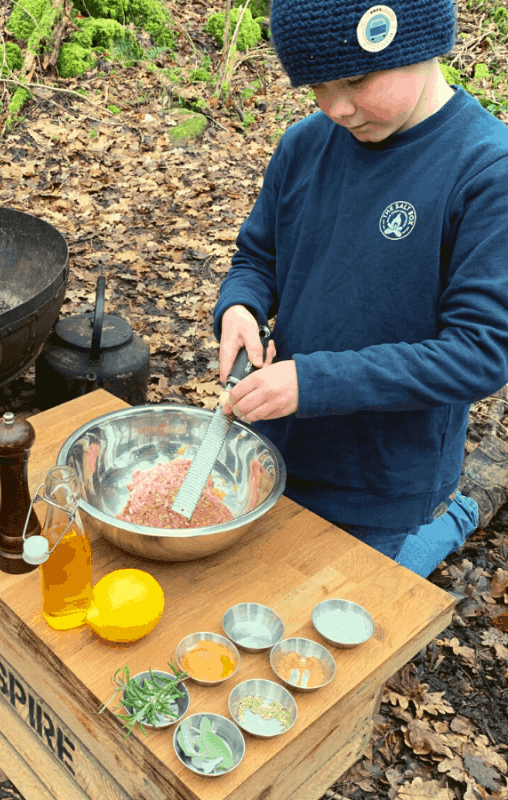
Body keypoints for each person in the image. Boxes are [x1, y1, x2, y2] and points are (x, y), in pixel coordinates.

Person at [214, 0, 508, 577]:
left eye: (354, 78)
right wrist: (241, 305)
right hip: (275, 441)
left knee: (353, 595)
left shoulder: (486, 171)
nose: (338, 108)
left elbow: (483, 351)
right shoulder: (304, 145)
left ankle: (456, 516)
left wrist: (314, 381)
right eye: (316, 86)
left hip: (380, 474)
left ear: (422, 42)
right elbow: (258, 255)